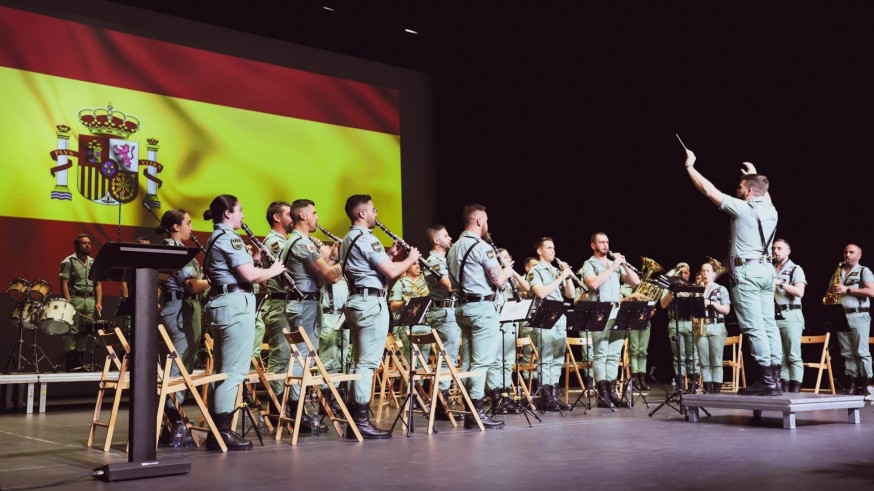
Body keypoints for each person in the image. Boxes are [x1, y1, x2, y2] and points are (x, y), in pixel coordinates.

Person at [684, 149, 780, 395]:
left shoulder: (742, 208)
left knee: (754, 325)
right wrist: (754, 175)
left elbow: (708, 191)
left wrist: (690, 167)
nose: (737, 189)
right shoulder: (771, 210)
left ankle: (766, 379)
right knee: (768, 323)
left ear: (748, 191)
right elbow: (762, 191)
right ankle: (775, 377)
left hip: (748, 273)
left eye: (740, 186)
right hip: (767, 271)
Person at [201, 194, 285, 451]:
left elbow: (241, 269)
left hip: (224, 304)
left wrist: (256, 261)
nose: (243, 216)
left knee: (223, 371)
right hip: (234, 307)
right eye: (240, 210)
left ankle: (217, 431)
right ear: (227, 213)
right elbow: (248, 275)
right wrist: (272, 271)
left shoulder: (216, 237)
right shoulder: (229, 237)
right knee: (234, 372)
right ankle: (222, 433)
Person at [340, 194, 420, 439]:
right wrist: (410, 259)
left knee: (357, 362)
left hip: (355, 300)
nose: (376, 214)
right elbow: (392, 271)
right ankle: (361, 422)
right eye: (373, 210)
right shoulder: (367, 238)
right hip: (370, 303)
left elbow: (374, 267)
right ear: (362, 213)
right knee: (367, 363)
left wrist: (391, 255)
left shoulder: (347, 239)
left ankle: (355, 420)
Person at [447, 204, 514, 429]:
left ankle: (469, 412)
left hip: (462, 308)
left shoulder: (454, 247)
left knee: (467, 361)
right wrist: (507, 270)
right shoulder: (480, 246)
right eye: (486, 221)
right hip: (482, 309)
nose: (487, 226)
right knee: (481, 362)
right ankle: (476, 413)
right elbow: (497, 279)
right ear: (478, 221)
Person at [280, 199, 343, 431]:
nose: (317, 217)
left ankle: (299, 411)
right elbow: (330, 276)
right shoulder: (301, 243)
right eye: (314, 213)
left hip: (304, 302)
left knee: (303, 357)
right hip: (304, 304)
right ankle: (297, 413)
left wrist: (333, 258)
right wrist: (348, 257)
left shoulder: (296, 241)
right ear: (303, 216)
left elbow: (319, 270)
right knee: (301, 358)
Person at [156, 209, 210, 428]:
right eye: (188, 223)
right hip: (180, 308)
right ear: (176, 227)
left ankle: (172, 416)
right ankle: (172, 417)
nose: (191, 227)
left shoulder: (179, 249)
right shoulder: (173, 250)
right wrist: (218, 278)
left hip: (185, 307)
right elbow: (192, 284)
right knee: (179, 366)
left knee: (184, 364)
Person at [581, 232, 640, 409]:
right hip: (599, 311)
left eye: (607, 242)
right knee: (600, 354)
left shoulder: (614, 264)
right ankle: (602, 395)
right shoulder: (589, 264)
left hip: (616, 311)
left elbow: (635, 281)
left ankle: (613, 393)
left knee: (614, 355)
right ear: (593, 245)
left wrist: (623, 265)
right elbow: (592, 284)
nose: (606, 245)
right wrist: (613, 267)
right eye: (601, 242)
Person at [525, 238, 573, 411]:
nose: (553, 250)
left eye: (554, 247)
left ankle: (553, 395)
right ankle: (546, 397)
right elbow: (541, 292)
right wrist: (561, 277)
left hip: (560, 316)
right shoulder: (535, 270)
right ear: (540, 251)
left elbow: (570, 294)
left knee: (558, 358)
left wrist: (566, 276)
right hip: (545, 315)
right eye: (549, 248)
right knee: (546, 358)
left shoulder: (555, 270)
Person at [256, 202, 294, 402]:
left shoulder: (284, 240)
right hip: (279, 304)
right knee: (280, 357)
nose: (294, 217)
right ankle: (275, 407)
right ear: (277, 217)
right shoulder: (274, 242)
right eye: (289, 214)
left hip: (287, 303)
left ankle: (287, 406)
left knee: (289, 357)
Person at [422, 224, 459, 419]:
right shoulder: (433, 261)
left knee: (449, 358)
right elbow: (448, 285)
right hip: (444, 311)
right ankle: (440, 405)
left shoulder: (442, 260)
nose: (450, 237)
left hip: (448, 310)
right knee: (446, 359)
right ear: (436, 240)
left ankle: (442, 402)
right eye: (445, 235)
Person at [486, 247, 530, 414]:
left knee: (507, 362)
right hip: (496, 321)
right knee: (496, 362)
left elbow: (526, 287)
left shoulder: (510, 275)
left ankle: (506, 396)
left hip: (511, 322)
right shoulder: (494, 274)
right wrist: (504, 271)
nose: (505, 259)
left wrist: (512, 272)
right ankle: (496, 397)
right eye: (502, 257)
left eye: (507, 256)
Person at [828, 243, 874, 394]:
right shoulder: (838, 271)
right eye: (846, 252)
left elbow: (871, 291)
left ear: (859, 255)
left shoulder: (863, 271)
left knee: (861, 351)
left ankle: (867, 383)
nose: (847, 255)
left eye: (851, 252)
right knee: (847, 352)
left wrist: (847, 289)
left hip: (859, 314)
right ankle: (852, 382)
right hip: (841, 314)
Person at [58, 234, 103, 371]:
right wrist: (68, 300)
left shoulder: (93, 262)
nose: (88, 245)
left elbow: (98, 284)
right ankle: (70, 364)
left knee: (85, 330)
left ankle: (79, 363)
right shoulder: (69, 261)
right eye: (84, 243)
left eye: (89, 243)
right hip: (75, 299)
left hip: (89, 300)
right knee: (72, 330)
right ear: (77, 246)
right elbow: (64, 282)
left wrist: (98, 301)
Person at [772, 239, 807, 393]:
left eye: (779, 248)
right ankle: (784, 385)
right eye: (774, 248)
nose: (775, 251)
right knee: (779, 356)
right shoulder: (770, 269)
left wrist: (780, 283)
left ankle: (796, 386)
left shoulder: (795, 269)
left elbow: (800, 292)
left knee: (793, 354)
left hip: (791, 314)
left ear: (788, 251)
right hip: (775, 315)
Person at [659, 262, 699, 391]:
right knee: (678, 357)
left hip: (690, 323)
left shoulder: (693, 287)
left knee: (692, 355)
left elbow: (699, 308)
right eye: (681, 273)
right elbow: (663, 305)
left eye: (686, 273)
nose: (683, 275)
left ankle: (694, 385)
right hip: (675, 322)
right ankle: (680, 387)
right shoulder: (669, 288)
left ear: (689, 274)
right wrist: (671, 291)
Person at [695, 261, 731, 394]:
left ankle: (716, 388)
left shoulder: (720, 289)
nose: (705, 273)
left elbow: (726, 310)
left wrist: (711, 303)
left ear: (714, 273)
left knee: (716, 360)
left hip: (716, 326)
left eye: (708, 271)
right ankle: (707, 386)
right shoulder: (697, 289)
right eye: (703, 271)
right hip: (701, 327)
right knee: (703, 361)